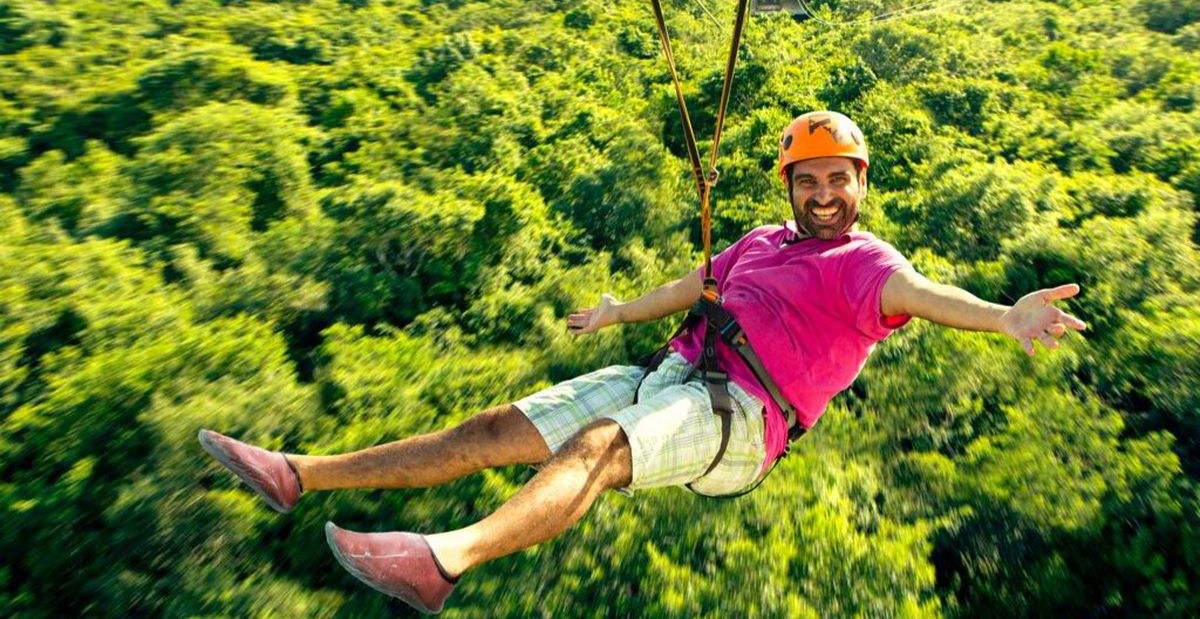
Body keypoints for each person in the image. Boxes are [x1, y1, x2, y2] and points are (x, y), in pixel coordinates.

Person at [198, 111, 1086, 614]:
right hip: (672, 372)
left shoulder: (866, 266)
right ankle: (297, 474)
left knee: (596, 445)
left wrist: (1005, 316)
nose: (823, 195)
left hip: (743, 417)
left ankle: (443, 559)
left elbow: (930, 297)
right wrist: (622, 309)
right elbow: (695, 283)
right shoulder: (760, 241)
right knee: (496, 428)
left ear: (862, 184)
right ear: (790, 188)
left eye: (838, 180)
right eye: (808, 181)